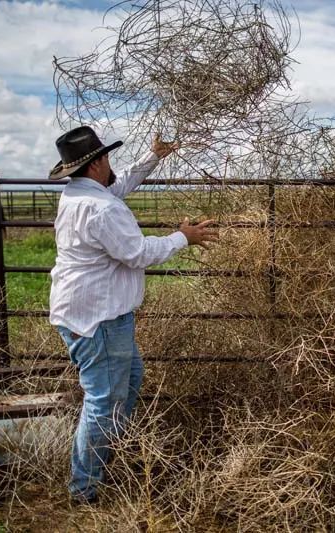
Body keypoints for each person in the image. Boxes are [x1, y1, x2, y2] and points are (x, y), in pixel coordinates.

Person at [48, 126, 218, 504]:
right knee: (104, 401)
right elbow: (138, 253)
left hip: (85, 312)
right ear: (98, 163)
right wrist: (182, 237)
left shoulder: (77, 194)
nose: (111, 164)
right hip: (100, 319)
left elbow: (118, 186)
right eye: (107, 158)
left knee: (127, 383)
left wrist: (153, 157)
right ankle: (85, 489)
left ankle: (110, 459)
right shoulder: (101, 207)